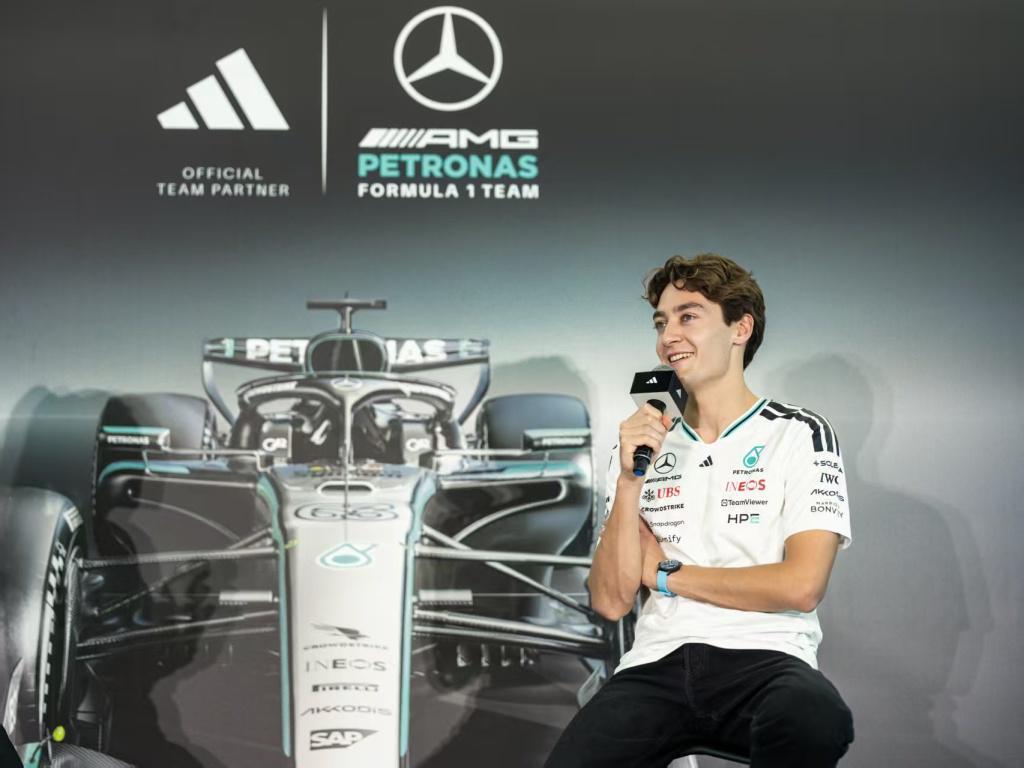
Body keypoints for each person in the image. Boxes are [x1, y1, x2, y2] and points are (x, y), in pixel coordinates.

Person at [544, 254, 854, 768]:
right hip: (655, 664)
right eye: (660, 323)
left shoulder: (799, 432)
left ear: (740, 329)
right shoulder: (638, 444)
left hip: (767, 659)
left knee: (815, 717)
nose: (669, 337)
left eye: (688, 317)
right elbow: (611, 600)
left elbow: (800, 586)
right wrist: (628, 481)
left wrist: (665, 575)